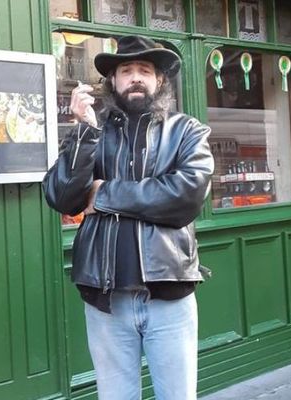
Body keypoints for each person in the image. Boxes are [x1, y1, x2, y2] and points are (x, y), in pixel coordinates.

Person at [42, 35, 214, 400]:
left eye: (144, 70)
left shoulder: (187, 131)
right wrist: (84, 133)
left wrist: (103, 194)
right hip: (106, 300)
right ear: (113, 80)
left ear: (159, 80)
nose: (135, 77)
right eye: (126, 70)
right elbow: (61, 197)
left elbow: (185, 197)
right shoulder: (94, 133)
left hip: (169, 297)